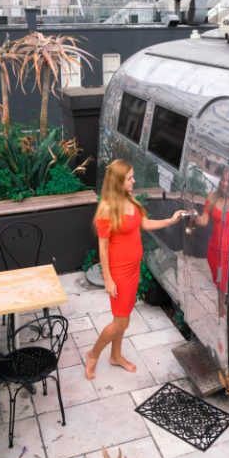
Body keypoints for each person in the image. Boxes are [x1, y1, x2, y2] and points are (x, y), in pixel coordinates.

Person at [85, 159, 185, 380]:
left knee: (125, 316)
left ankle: (116, 356)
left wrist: (170, 220)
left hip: (133, 269)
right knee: (120, 321)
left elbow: (145, 224)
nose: (134, 180)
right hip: (118, 272)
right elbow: (102, 247)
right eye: (130, 178)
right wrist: (108, 278)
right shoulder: (107, 210)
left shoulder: (129, 199)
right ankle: (93, 354)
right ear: (119, 182)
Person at [193, 166, 229, 319]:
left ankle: (221, 313)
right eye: (223, 180)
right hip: (214, 251)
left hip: (228, 253)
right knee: (219, 283)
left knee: (222, 284)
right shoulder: (212, 196)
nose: (225, 183)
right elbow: (204, 221)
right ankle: (221, 312)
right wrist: (193, 217)